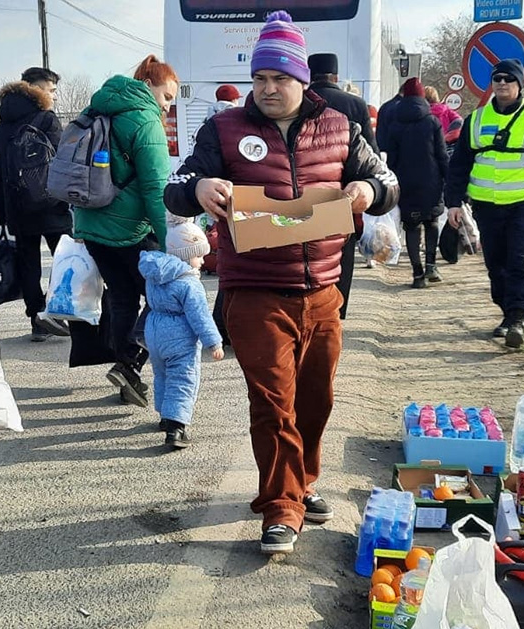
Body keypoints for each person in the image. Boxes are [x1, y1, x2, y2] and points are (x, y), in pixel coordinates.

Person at [164, 10, 399, 554]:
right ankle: (280, 506)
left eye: (280, 79)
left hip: (323, 289)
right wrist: (199, 190)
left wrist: (368, 193)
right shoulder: (222, 128)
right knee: (273, 402)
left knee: (316, 399)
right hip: (253, 291)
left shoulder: (342, 126)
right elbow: (177, 186)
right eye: (261, 79)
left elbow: (385, 181)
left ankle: (301, 483)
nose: (268, 89)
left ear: (302, 81)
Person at [72, 55, 176, 408]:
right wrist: (170, 241)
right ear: (148, 86)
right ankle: (129, 362)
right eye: (167, 96)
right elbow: (155, 188)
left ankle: (126, 369)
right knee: (164, 295)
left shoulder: (98, 108)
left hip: (92, 224)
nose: (167, 106)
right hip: (130, 230)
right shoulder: (146, 121)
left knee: (121, 296)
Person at [445, 59, 524, 349]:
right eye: (497, 79)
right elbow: (459, 164)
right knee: (496, 264)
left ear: (519, 85)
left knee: (519, 262)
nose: (502, 83)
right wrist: (453, 203)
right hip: (487, 206)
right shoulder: (476, 119)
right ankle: (506, 312)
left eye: (508, 79)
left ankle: (518, 318)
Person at [0, 67, 74, 341]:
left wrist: (1, 210)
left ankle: (37, 321)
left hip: (16, 203)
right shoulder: (46, 119)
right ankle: (57, 313)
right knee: (64, 258)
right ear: (34, 89)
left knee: (29, 263)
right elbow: (60, 163)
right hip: (49, 202)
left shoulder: (3, 123)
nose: (54, 96)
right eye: (50, 90)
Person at [138, 222, 224, 449]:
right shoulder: (189, 283)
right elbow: (199, 316)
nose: (203, 261)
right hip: (179, 335)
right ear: (186, 256)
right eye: (199, 256)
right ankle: (176, 426)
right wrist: (213, 341)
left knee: (162, 373)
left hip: (154, 330)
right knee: (183, 378)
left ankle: (165, 416)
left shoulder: (156, 273)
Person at [308, 52, 379, 319]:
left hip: (306, 189)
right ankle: (336, 312)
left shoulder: (300, 101)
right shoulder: (355, 104)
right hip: (344, 193)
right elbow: (370, 152)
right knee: (341, 250)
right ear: (336, 77)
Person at [383, 78, 448, 289]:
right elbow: (441, 155)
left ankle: (417, 274)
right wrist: (450, 180)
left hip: (406, 182)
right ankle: (431, 265)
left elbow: (390, 158)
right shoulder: (432, 122)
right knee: (432, 222)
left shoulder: (395, 123)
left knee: (411, 227)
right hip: (431, 180)